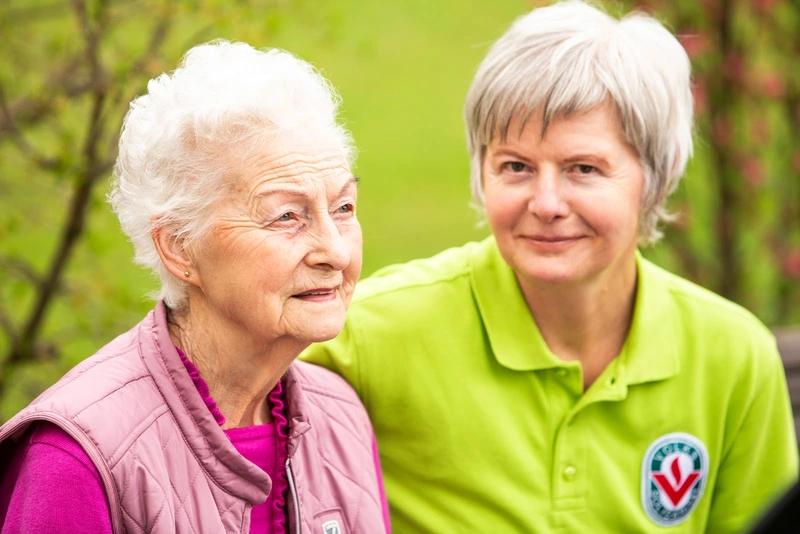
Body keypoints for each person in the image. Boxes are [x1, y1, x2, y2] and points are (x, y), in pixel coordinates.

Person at [302, 2, 798, 532]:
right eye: (515, 166)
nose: (546, 203)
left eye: (583, 169)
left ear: (655, 175)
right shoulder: (372, 334)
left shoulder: (734, 356)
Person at [0, 40, 390, 534]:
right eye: (286, 216)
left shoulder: (340, 417)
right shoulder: (75, 459)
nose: (334, 251)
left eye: (343, 208)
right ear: (180, 248)